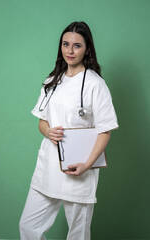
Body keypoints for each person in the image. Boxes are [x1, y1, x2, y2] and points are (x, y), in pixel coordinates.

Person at [19, 21, 119, 240]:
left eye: (77, 45)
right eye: (65, 44)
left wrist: (87, 164)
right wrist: (48, 132)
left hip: (80, 168)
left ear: (87, 49)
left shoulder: (95, 84)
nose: (70, 51)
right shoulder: (51, 81)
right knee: (28, 226)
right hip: (49, 167)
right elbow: (42, 121)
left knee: (78, 234)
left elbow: (106, 131)